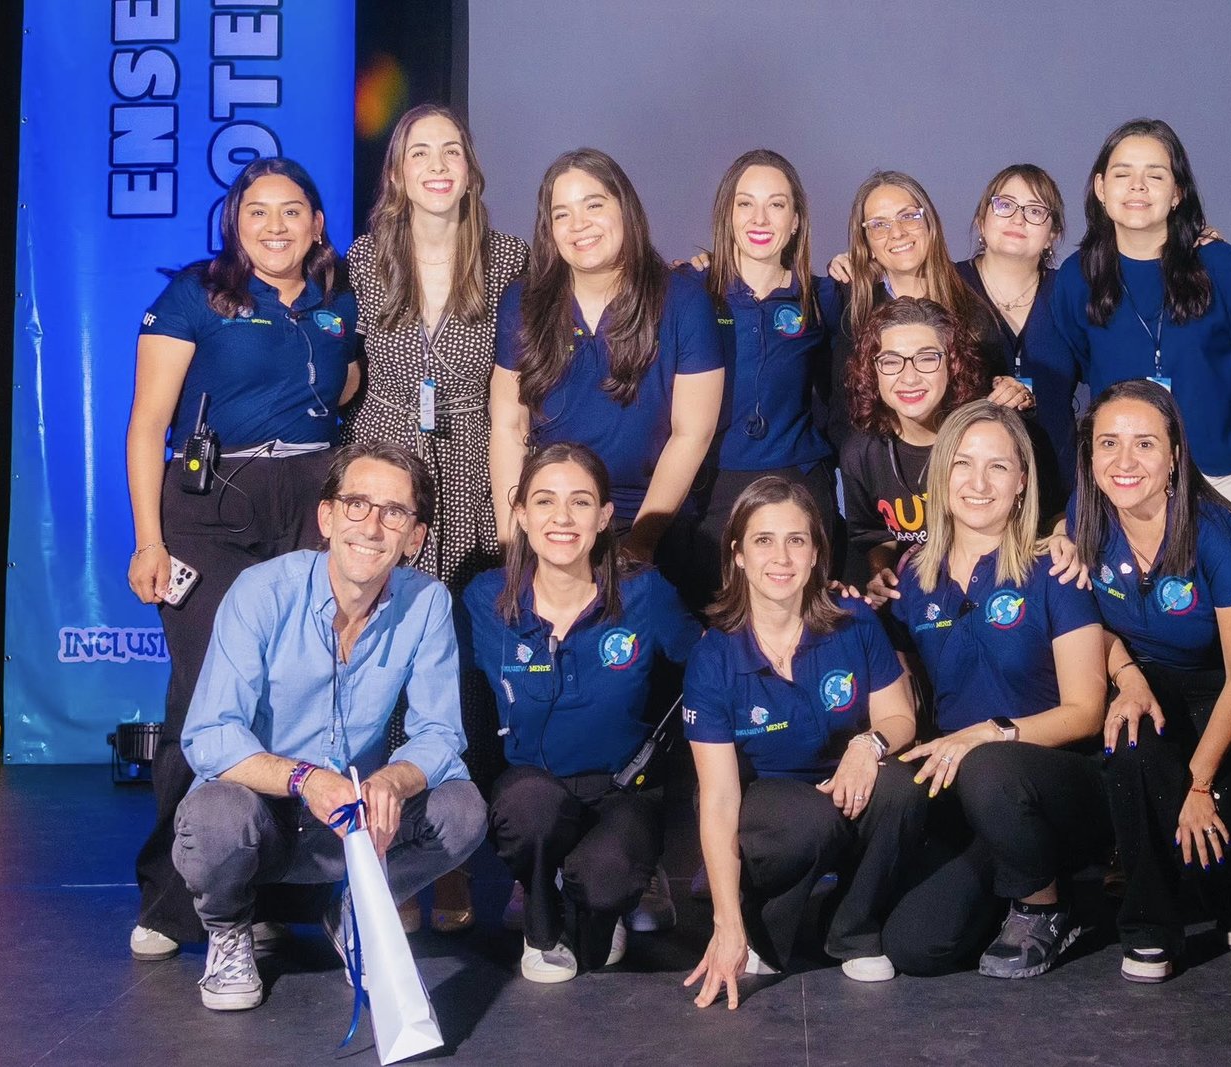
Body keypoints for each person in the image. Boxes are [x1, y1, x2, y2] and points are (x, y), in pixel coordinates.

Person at [125, 157, 360, 962]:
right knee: (206, 695)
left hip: (312, 497)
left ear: (317, 223)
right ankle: (172, 898)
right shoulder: (196, 294)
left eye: (292, 210)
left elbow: (346, 382)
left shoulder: (338, 300)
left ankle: (273, 893)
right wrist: (149, 539)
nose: (274, 226)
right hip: (211, 504)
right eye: (257, 211)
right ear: (235, 223)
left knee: (298, 693)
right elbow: (146, 423)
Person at [171, 441, 487, 1010]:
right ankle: (230, 932)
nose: (371, 526)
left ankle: (359, 913)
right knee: (213, 818)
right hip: (262, 815)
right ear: (327, 517)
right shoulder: (261, 591)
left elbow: (441, 733)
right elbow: (210, 735)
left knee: (462, 810)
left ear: (415, 537)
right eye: (356, 504)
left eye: (394, 512)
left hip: (350, 823)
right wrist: (306, 779)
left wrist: (393, 780)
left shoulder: (428, 603)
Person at [342, 103, 529, 933]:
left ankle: (452, 858)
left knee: (461, 673)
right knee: (382, 670)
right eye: (421, 152)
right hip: (385, 478)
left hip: (473, 471)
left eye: (452, 149)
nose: (439, 164)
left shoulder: (511, 259)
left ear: (471, 167)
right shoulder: (361, 260)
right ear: (399, 172)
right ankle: (401, 864)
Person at [875, 400, 1108, 979]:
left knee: (990, 765)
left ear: (1022, 480)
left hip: (1055, 781)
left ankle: (1045, 907)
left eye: (998, 467)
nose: (978, 483)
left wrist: (989, 733)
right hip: (967, 790)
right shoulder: (913, 579)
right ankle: (1015, 886)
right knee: (916, 946)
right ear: (940, 475)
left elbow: (1086, 711)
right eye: (963, 463)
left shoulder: (1054, 570)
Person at [461, 444, 703, 982]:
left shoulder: (645, 593)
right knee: (528, 808)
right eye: (545, 501)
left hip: (622, 789)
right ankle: (540, 914)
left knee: (604, 883)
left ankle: (598, 898)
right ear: (521, 514)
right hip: (532, 790)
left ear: (605, 516)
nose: (563, 518)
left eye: (580, 502)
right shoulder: (485, 598)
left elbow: (712, 662)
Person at [682, 477, 922, 1009]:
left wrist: (868, 744)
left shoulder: (853, 621)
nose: (781, 557)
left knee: (901, 787)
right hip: (760, 805)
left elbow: (900, 717)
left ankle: (853, 928)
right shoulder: (713, 656)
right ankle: (757, 930)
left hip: (842, 782)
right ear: (738, 555)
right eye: (763, 540)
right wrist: (725, 922)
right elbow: (718, 799)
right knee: (809, 821)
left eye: (796, 540)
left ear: (816, 553)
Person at [1070, 379, 1231, 983]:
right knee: (1130, 747)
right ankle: (1149, 930)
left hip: (1223, 687)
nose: (1124, 461)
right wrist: (1128, 677)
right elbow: (1085, 623)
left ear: (1174, 457)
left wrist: (1200, 783)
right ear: (1090, 456)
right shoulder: (1084, 517)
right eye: (1108, 443)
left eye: (1144, 444)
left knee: (1209, 834)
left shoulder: (1217, 536)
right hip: (1141, 676)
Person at [491, 148, 724, 569]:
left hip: (648, 524)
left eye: (593, 205)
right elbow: (509, 427)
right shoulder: (522, 302)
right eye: (562, 214)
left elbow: (692, 434)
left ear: (625, 208)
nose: (579, 224)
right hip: (554, 525)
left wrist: (640, 545)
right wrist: (513, 547)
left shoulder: (684, 301)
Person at [1052, 118, 1231, 524]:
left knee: (1225, 567)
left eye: (1155, 175)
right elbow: (1084, 364)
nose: (1137, 186)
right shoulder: (1076, 277)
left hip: (1220, 473)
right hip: (1123, 476)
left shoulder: (1221, 266)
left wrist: (1215, 416)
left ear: (1177, 193)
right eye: (1123, 174)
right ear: (1101, 188)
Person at [688, 149, 842, 603]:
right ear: (727, 214)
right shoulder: (690, 291)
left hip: (799, 482)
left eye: (776, 204)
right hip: (712, 487)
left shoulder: (823, 297)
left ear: (795, 221)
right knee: (716, 622)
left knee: (807, 620)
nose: (760, 218)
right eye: (745, 203)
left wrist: (864, 267)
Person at [825, 170, 1029, 450]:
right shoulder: (855, 310)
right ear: (867, 242)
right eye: (879, 224)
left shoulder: (974, 303)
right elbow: (842, 413)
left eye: (909, 216)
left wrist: (1021, 391)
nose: (897, 233)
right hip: (886, 469)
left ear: (930, 225)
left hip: (961, 463)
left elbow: (1010, 385)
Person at [839, 297, 989, 592]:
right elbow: (875, 535)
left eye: (927, 358)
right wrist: (881, 572)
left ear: (952, 364)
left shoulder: (984, 438)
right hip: (914, 597)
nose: (909, 377)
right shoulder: (861, 453)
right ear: (872, 372)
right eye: (891, 361)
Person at [957, 164, 1079, 508]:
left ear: (1053, 233)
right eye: (1005, 205)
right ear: (982, 220)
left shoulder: (1070, 292)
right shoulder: (944, 286)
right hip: (971, 491)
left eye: (1035, 210)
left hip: (1058, 491)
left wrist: (1191, 250)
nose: (1018, 218)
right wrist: (855, 267)